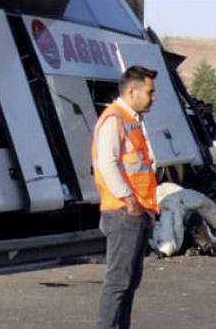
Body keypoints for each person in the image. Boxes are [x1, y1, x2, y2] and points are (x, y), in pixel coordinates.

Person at [93, 65, 160, 329]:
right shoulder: (115, 119)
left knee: (129, 282)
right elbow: (106, 163)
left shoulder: (130, 119)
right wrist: (129, 201)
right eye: (149, 92)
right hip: (123, 212)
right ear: (132, 90)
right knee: (119, 282)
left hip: (135, 211)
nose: (153, 97)